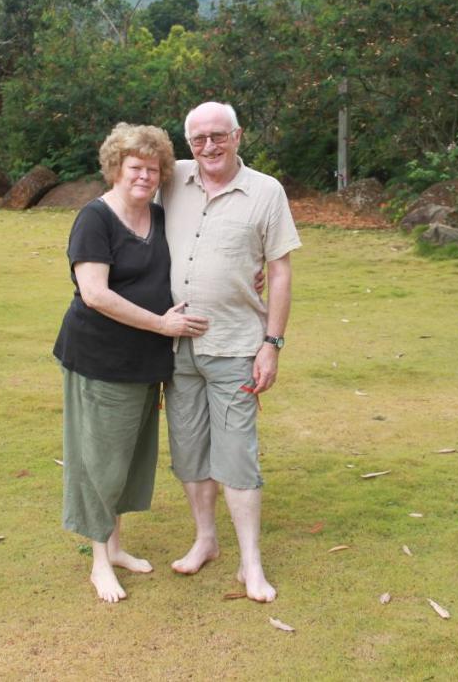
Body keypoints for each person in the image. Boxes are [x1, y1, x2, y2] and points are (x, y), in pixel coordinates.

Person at [53, 123, 210, 603]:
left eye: (153, 168)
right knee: (101, 461)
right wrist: (162, 327)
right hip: (100, 359)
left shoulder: (159, 217)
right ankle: (100, 562)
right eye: (135, 167)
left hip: (145, 363)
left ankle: (116, 548)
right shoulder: (95, 219)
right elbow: (96, 294)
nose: (144, 176)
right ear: (116, 169)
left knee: (127, 460)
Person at [161, 101, 301, 603]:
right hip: (176, 348)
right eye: (198, 139)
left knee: (237, 456)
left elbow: (280, 270)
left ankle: (251, 564)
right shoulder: (170, 178)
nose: (209, 147)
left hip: (238, 346)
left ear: (238, 135)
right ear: (187, 143)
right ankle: (206, 540)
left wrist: (273, 343)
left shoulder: (266, 191)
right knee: (190, 452)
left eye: (218, 136)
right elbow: (123, 180)